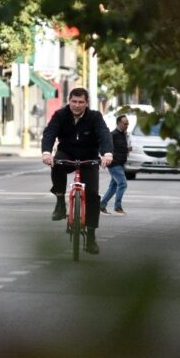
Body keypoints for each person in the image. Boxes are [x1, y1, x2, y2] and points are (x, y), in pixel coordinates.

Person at [41, 88, 113, 254]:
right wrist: (46, 152)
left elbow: (104, 134)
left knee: (93, 195)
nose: (77, 105)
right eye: (74, 101)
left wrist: (107, 153)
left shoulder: (95, 117)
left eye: (81, 102)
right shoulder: (60, 115)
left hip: (89, 158)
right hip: (67, 154)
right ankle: (60, 202)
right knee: (56, 164)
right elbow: (50, 132)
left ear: (86, 103)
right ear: (69, 100)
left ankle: (91, 238)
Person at [100, 114, 132, 215]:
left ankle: (102, 205)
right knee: (122, 184)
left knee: (113, 187)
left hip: (120, 163)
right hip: (114, 164)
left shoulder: (123, 134)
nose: (127, 125)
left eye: (128, 124)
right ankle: (117, 206)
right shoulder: (112, 134)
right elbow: (104, 147)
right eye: (125, 124)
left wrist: (127, 150)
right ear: (118, 123)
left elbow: (119, 148)